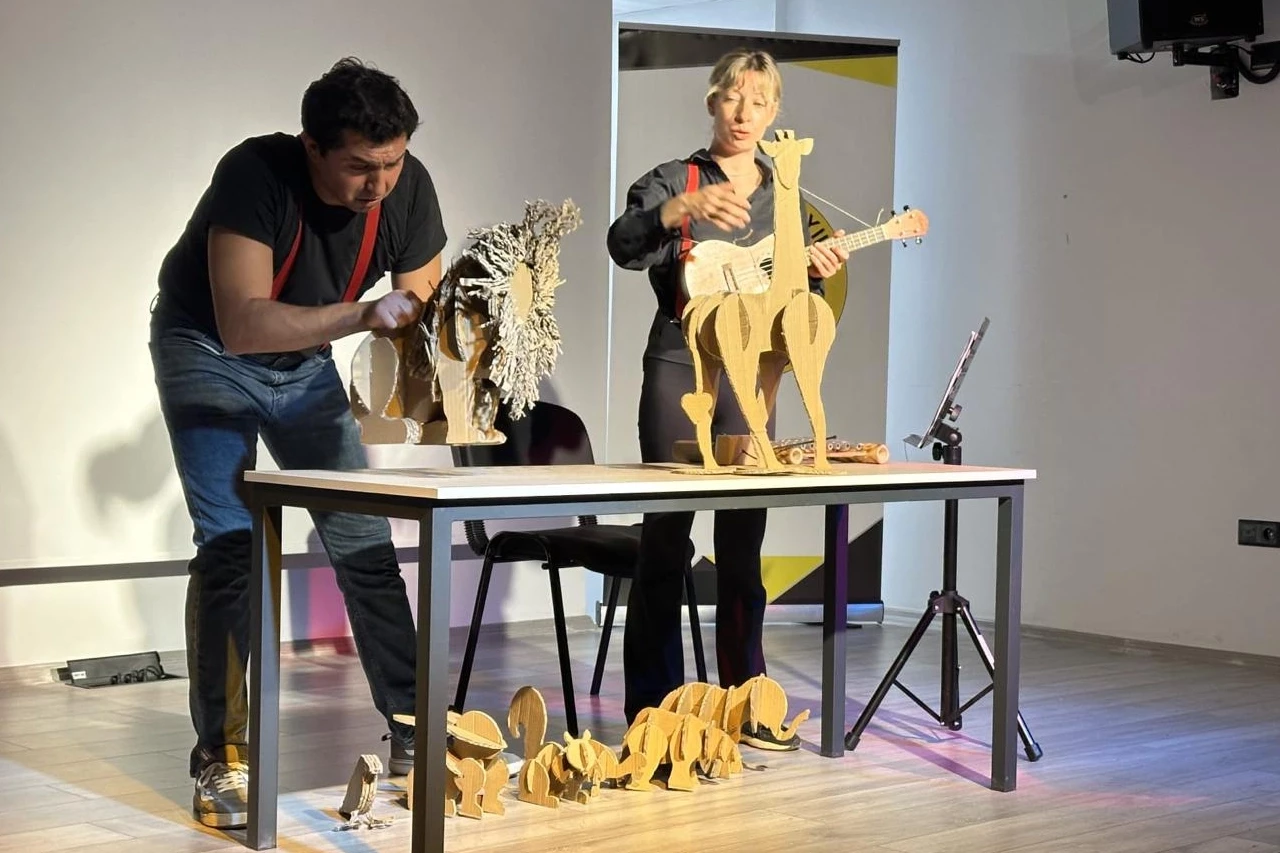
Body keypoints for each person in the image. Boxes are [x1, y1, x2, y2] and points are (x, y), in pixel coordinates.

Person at [148, 57, 447, 828]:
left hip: (305, 360)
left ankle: (417, 730)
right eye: (360, 166)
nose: (379, 183)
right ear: (313, 146)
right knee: (232, 545)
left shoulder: (406, 186)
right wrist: (361, 316)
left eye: (393, 162)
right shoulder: (255, 174)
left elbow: (419, 303)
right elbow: (244, 322)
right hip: (206, 349)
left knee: (364, 540)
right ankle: (223, 758)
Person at [606, 49, 849, 749]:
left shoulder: (785, 194)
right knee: (666, 538)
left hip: (753, 370)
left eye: (759, 102)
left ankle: (748, 703)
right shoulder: (671, 178)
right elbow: (623, 245)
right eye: (733, 98)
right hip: (679, 357)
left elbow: (795, 297)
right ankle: (654, 713)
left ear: (775, 114)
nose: (744, 113)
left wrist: (820, 269)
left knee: (743, 545)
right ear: (712, 101)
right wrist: (677, 210)